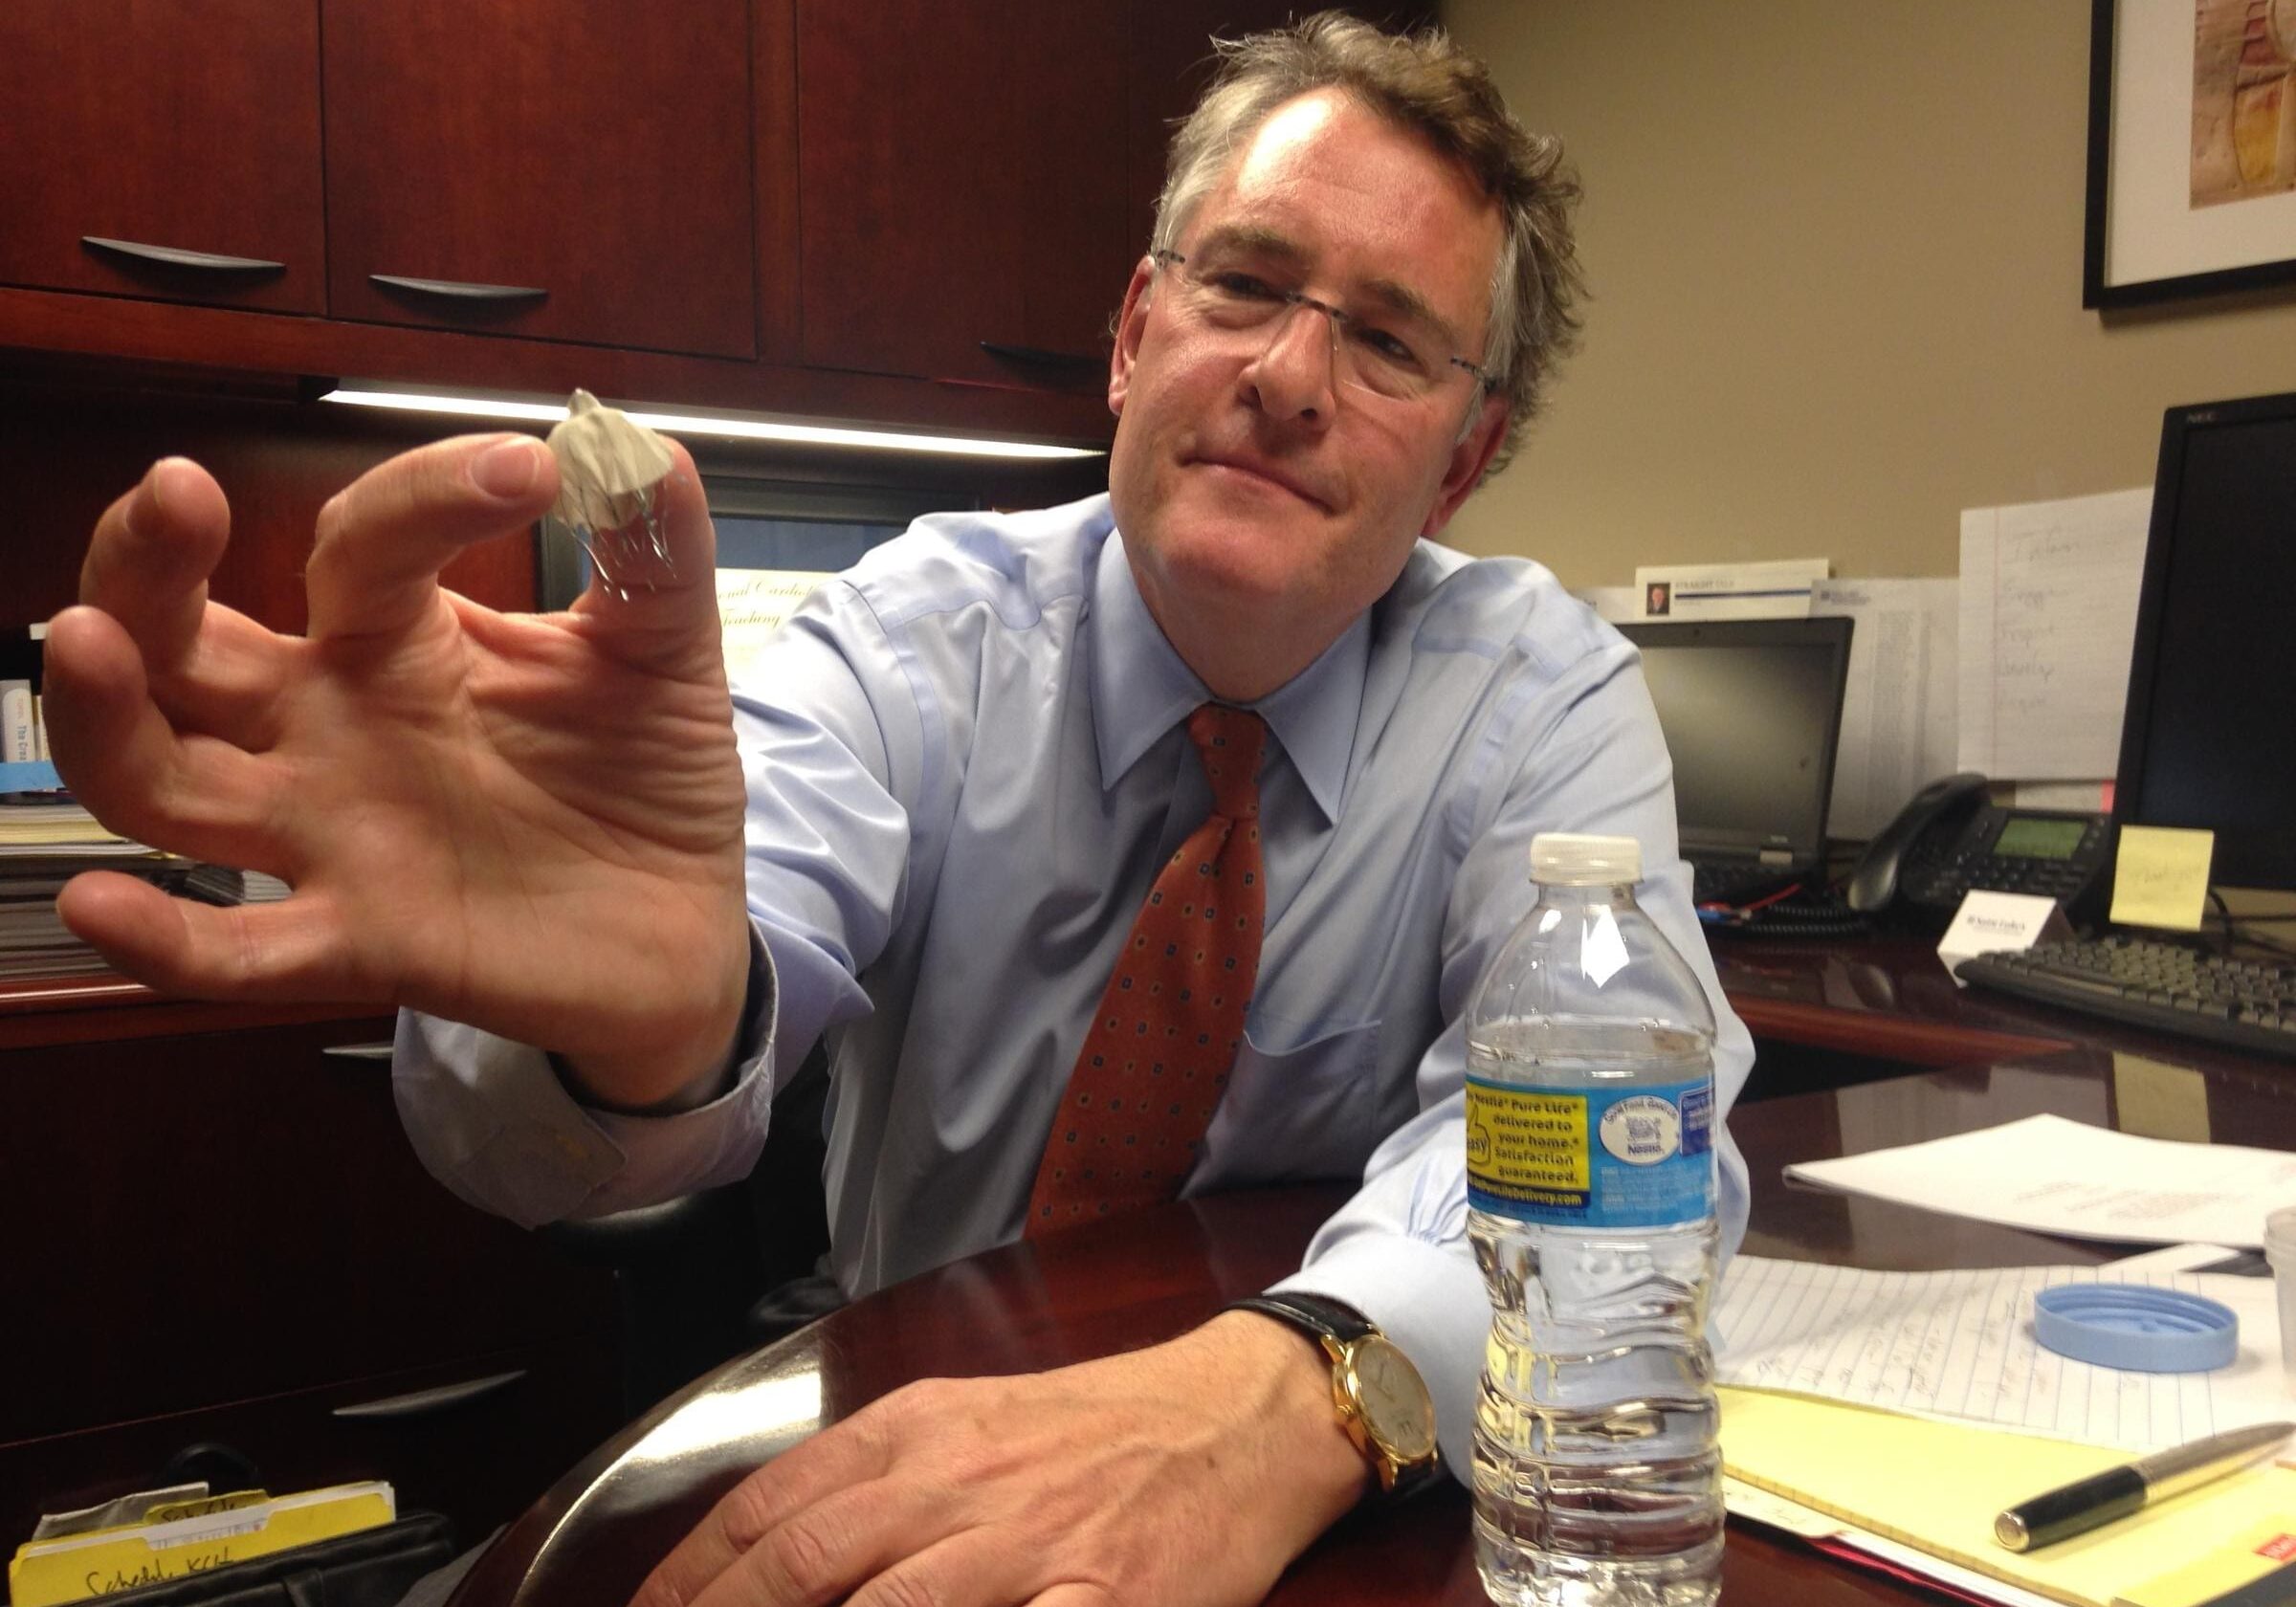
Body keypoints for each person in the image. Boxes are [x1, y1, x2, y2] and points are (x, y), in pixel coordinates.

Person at [43, 14, 1755, 1606]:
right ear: (1134, 336)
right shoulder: (915, 634)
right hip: (903, 1429)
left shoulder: (1543, 700)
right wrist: (640, 1037)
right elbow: (560, 1101)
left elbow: (1628, 1166)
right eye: (1244, 284)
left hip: (1331, 1513)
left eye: (1388, 340)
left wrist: (1289, 1396)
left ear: (1463, 460)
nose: (1292, 376)